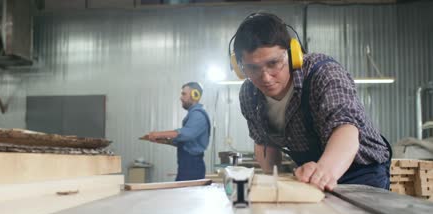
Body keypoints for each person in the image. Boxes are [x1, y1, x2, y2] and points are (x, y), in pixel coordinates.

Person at [231, 12, 391, 191]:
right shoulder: (249, 94)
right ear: (239, 67)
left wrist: (323, 173)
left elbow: (346, 130)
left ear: (293, 54)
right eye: (252, 68)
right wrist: (274, 183)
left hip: (361, 169)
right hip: (313, 172)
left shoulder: (323, 73)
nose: (265, 78)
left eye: (273, 63)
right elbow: (264, 144)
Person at [148, 82, 211, 181]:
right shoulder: (192, 114)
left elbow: (186, 134)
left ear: (195, 95)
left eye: (184, 94)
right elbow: (187, 142)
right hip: (187, 166)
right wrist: (164, 140)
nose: (181, 98)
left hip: (192, 167)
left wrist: (158, 134)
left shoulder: (198, 115)